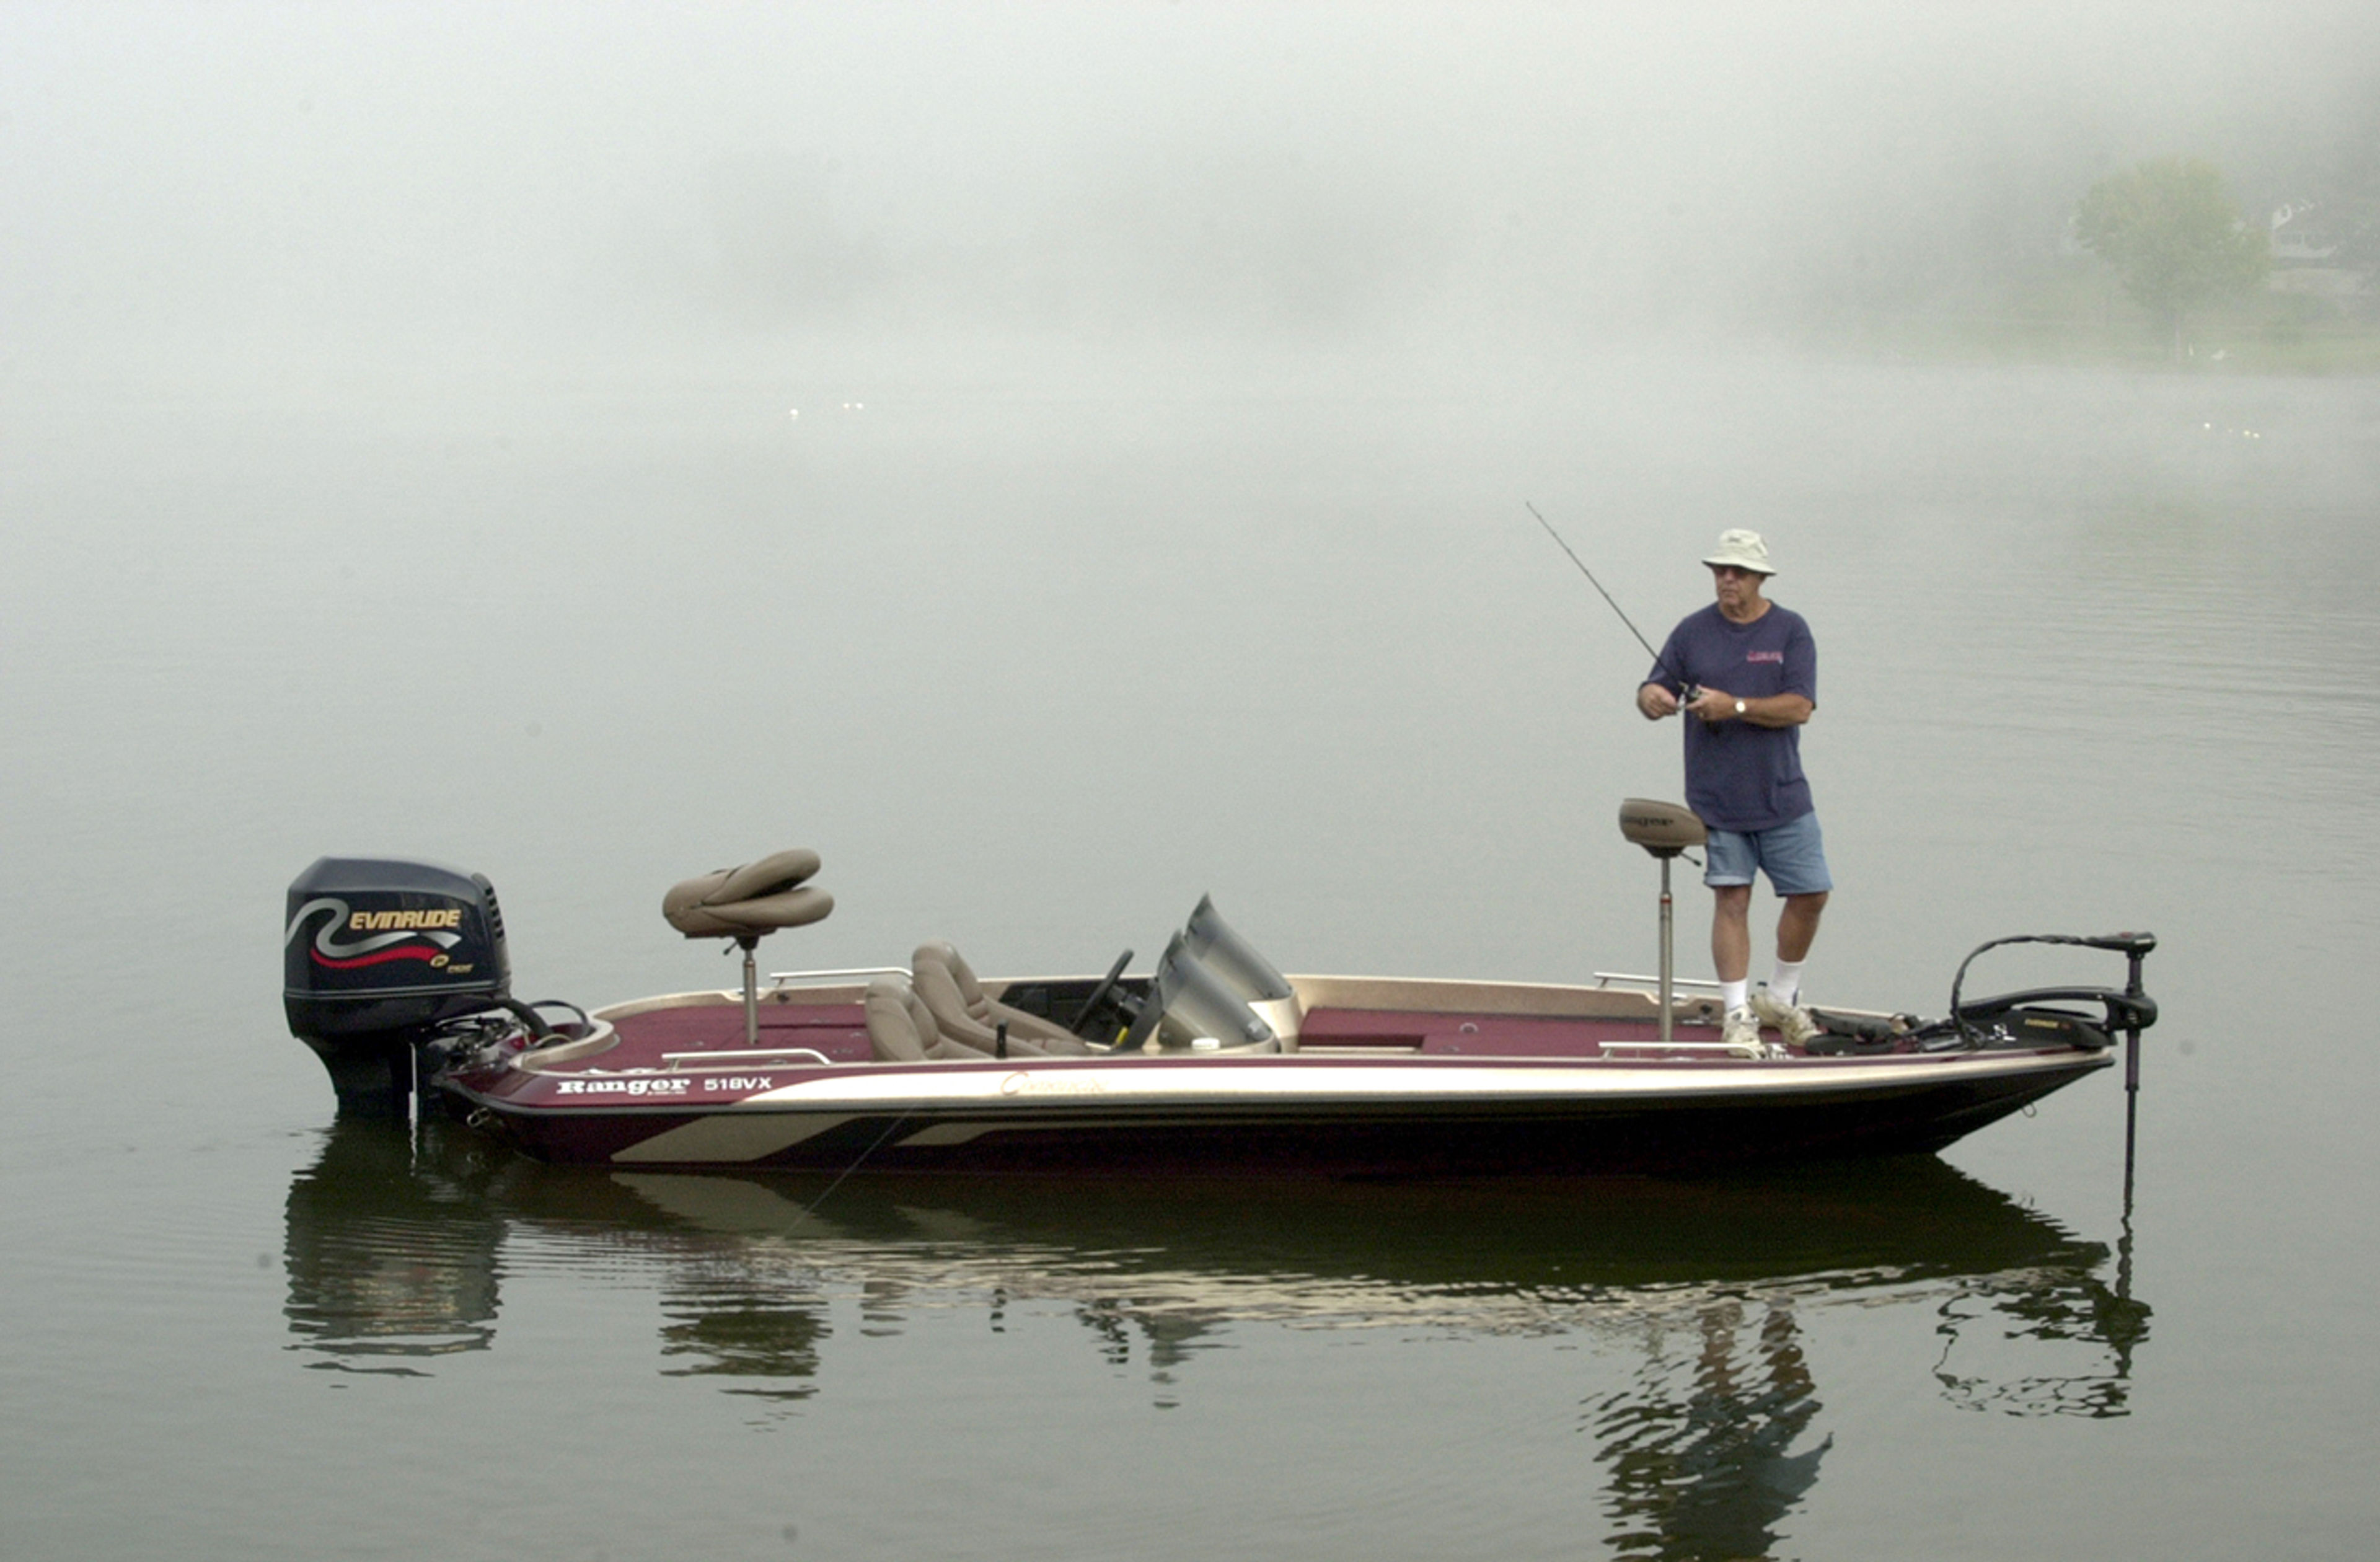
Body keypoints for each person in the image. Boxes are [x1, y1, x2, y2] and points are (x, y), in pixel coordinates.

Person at [1634, 529, 1828, 1054]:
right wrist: (1651, 697)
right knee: (1732, 898)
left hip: (1784, 795)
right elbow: (1656, 686)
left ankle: (1782, 998)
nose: (1727, 579)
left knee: (1812, 895)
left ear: (1760, 578)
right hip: (1717, 799)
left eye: (1738, 572)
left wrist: (1734, 706)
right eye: (1721, 570)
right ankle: (1738, 1012)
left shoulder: (1791, 630)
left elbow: (1800, 708)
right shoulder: (1692, 632)